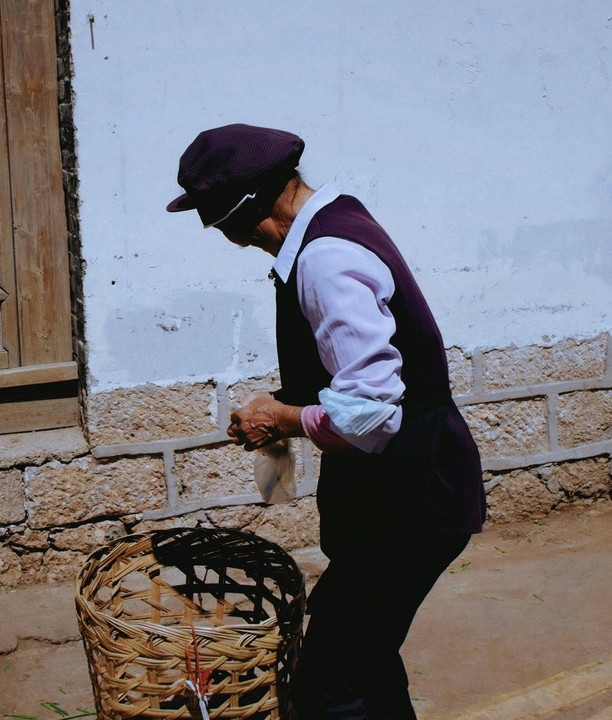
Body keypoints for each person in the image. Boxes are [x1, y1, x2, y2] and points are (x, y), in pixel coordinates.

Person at [167, 123, 486, 720]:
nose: (235, 241)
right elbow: (355, 376)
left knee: (328, 685)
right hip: (405, 493)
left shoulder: (327, 258)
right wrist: (283, 403)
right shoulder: (336, 219)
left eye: (223, 224)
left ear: (248, 209)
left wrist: (284, 416)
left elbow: (371, 415)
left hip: (413, 499)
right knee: (366, 659)